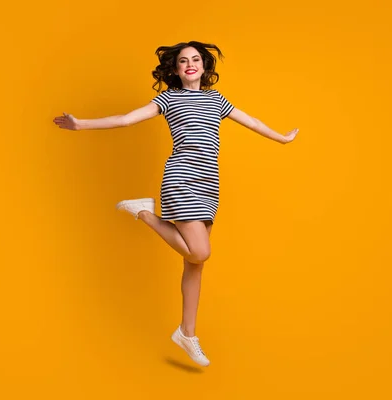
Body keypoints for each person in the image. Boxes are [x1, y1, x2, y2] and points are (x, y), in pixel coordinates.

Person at [53, 41, 299, 367]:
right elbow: (128, 119)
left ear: (205, 67)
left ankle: (188, 333)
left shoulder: (217, 100)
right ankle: (143, 211)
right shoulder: (169, 99)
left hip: (209, 185)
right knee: (200, 251)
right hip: (181, 179)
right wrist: (80, 123)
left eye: (195, 59)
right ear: (176, 69)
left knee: (194, 263)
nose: (190, 64)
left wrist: (281, 137)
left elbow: (251, 121)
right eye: (183, 61)